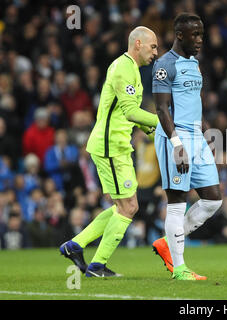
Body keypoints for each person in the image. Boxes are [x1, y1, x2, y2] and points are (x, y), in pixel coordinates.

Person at [59, 26, 160, 277]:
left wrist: (151, 131)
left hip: (118, 146)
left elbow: (128, 115)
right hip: (110, 147)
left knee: (121, 207)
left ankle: (75, 245)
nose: (156, 52)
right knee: (129, 207)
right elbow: (129, 111)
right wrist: (164, 122)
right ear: (138, 43)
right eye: (153, 46)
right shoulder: (122, 68)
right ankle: (97, 265)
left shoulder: (133, 71)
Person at [151, 13, 222, 281]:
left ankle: (167, 243)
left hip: (196, 137)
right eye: (196, 35)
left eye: (202, 34)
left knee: (213, 199)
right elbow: (161, 108)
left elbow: (194, 102)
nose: (200, 40)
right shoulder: (165, 65)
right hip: (175, 137)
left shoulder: (194, 63)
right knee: (177, 201)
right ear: (180, 35)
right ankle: (179, 269)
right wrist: (177, 144)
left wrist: (207, 133)